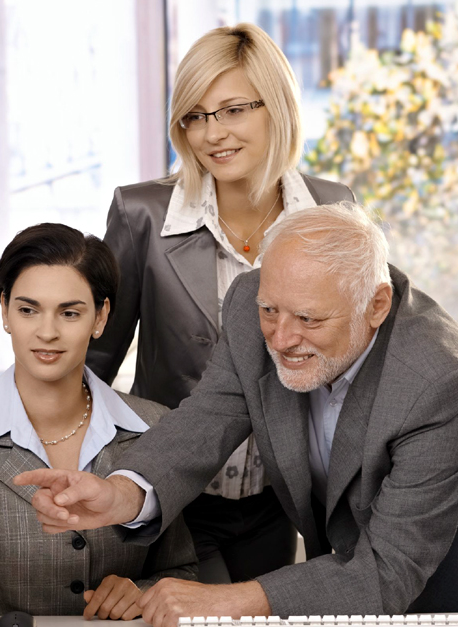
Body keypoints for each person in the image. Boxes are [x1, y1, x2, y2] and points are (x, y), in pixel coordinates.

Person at [16, 202, 458, 627]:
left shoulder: (444, 384)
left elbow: (387, 574)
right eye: (272, 311)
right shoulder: (250, 302)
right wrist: (122, 493)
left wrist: (225, 601)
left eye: (309, 319)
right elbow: (210, 414)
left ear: (376, 305)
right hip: (351, 564)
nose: (282, 339)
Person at [85, 23, 354, 586]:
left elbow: (356, 360)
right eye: (196, 115)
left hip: (279, 499)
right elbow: (93, 365)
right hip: (173, 494)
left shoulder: (334, 208)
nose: (213, 133)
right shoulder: (142, 215)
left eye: (233, 110)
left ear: (275, 107)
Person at [0, 223, 197, 622]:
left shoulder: (152, 425)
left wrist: (142, 593)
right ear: (5, 311)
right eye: (28, 310)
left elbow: (182, 570)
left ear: (101, 317)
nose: (47, 332)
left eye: (69, 313)